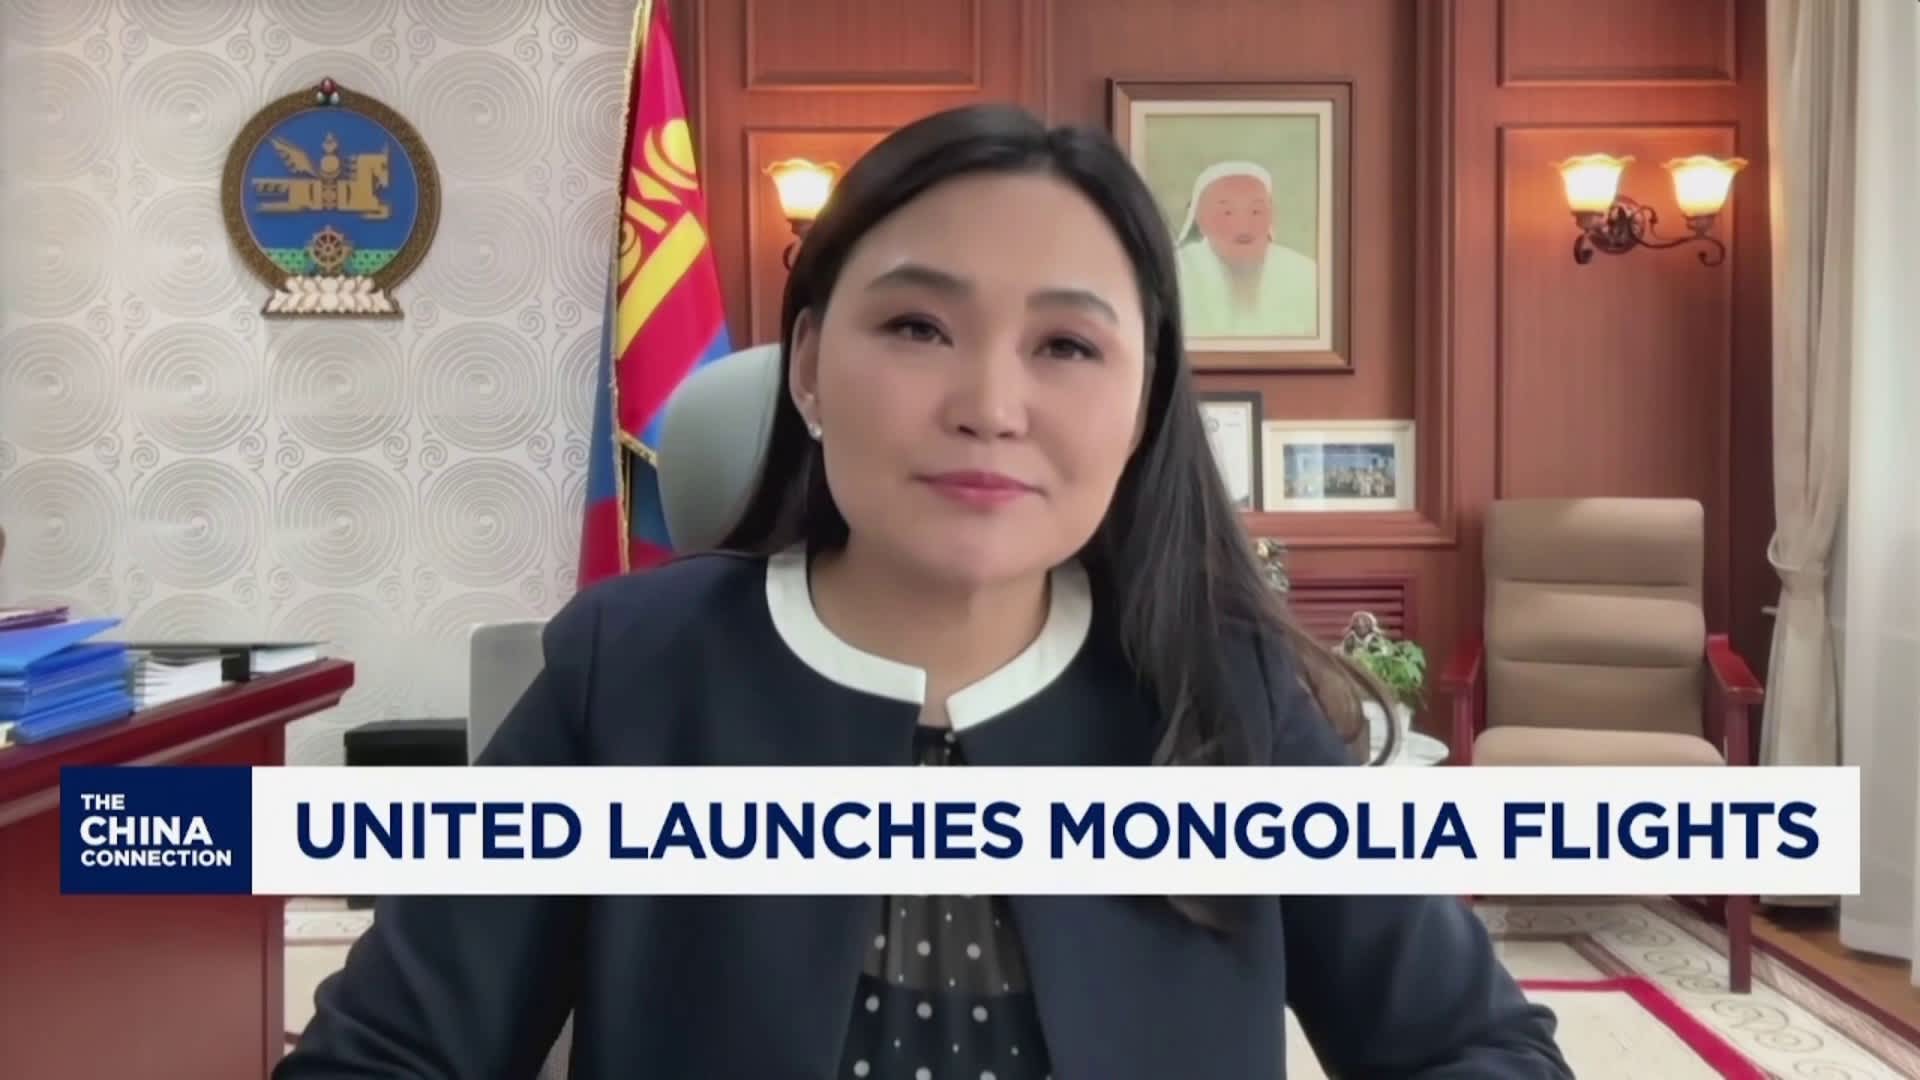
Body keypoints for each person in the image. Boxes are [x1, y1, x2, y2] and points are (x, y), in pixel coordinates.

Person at [278, 104, 1569, 1079]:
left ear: (1141, 407)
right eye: (916, 328)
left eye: (1066, 345)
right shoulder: (631, 670)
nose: (990, 406)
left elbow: (1478, 1048)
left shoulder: (1225, 694)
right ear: (807, 368)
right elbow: (385, 1054)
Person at [1174, 160, 1321, 340]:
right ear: (1200, 219)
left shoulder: (1305, 274)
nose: (1243, 226)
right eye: (1227, 213)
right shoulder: (1176, 272)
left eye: (1256, 212)